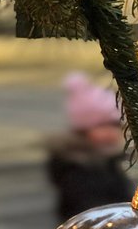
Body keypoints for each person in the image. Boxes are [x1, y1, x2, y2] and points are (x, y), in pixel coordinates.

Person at [46, 72, 132, 221]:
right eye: (102, 126)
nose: (110, 132)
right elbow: (84, 204)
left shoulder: (109, 159)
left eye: (115, 125)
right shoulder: (76, 165)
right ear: (83, 132)